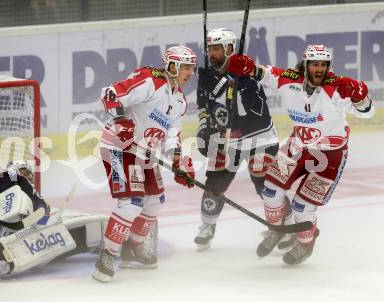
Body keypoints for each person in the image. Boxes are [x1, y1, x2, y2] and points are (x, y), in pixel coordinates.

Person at [224, 44, 375, 264]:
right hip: (297, 146)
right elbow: (264, 74)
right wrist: (247, 67)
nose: (319, 69)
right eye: (315, 64)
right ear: (305, 65)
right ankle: (278, 229)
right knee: (270, 190)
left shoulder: (338, 87)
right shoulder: (290, 79)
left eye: (324, 64)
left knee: (302, 207)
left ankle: (306, 243)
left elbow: (368, 112)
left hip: (330, 156)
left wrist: (361, 98)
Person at [93, 45, 197, 282]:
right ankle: (107, 254)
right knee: (131, 203)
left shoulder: (179, 99)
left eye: (192, 67)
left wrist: (179, 160)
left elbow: (172, 133)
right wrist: (120, 120)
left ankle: (132, 247)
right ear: (171, 66)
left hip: (145, 153)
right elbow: (110, 93)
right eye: (186, 67)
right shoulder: (151, 80)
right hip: (119, 147)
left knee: (154, 203)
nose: (190, 72)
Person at [194, 28, 289, 251]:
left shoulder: (247, 73)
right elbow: (203, 107)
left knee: (265, 186)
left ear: (229, 48)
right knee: (214, 184)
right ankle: (207, 225)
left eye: (216, 49)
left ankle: (285, 224)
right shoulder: (207, 75)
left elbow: (246, 110)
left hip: (260, 138)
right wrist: (203, 128)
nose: (211, 54)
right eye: (209, 49)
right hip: (227, 141)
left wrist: (226, 82)